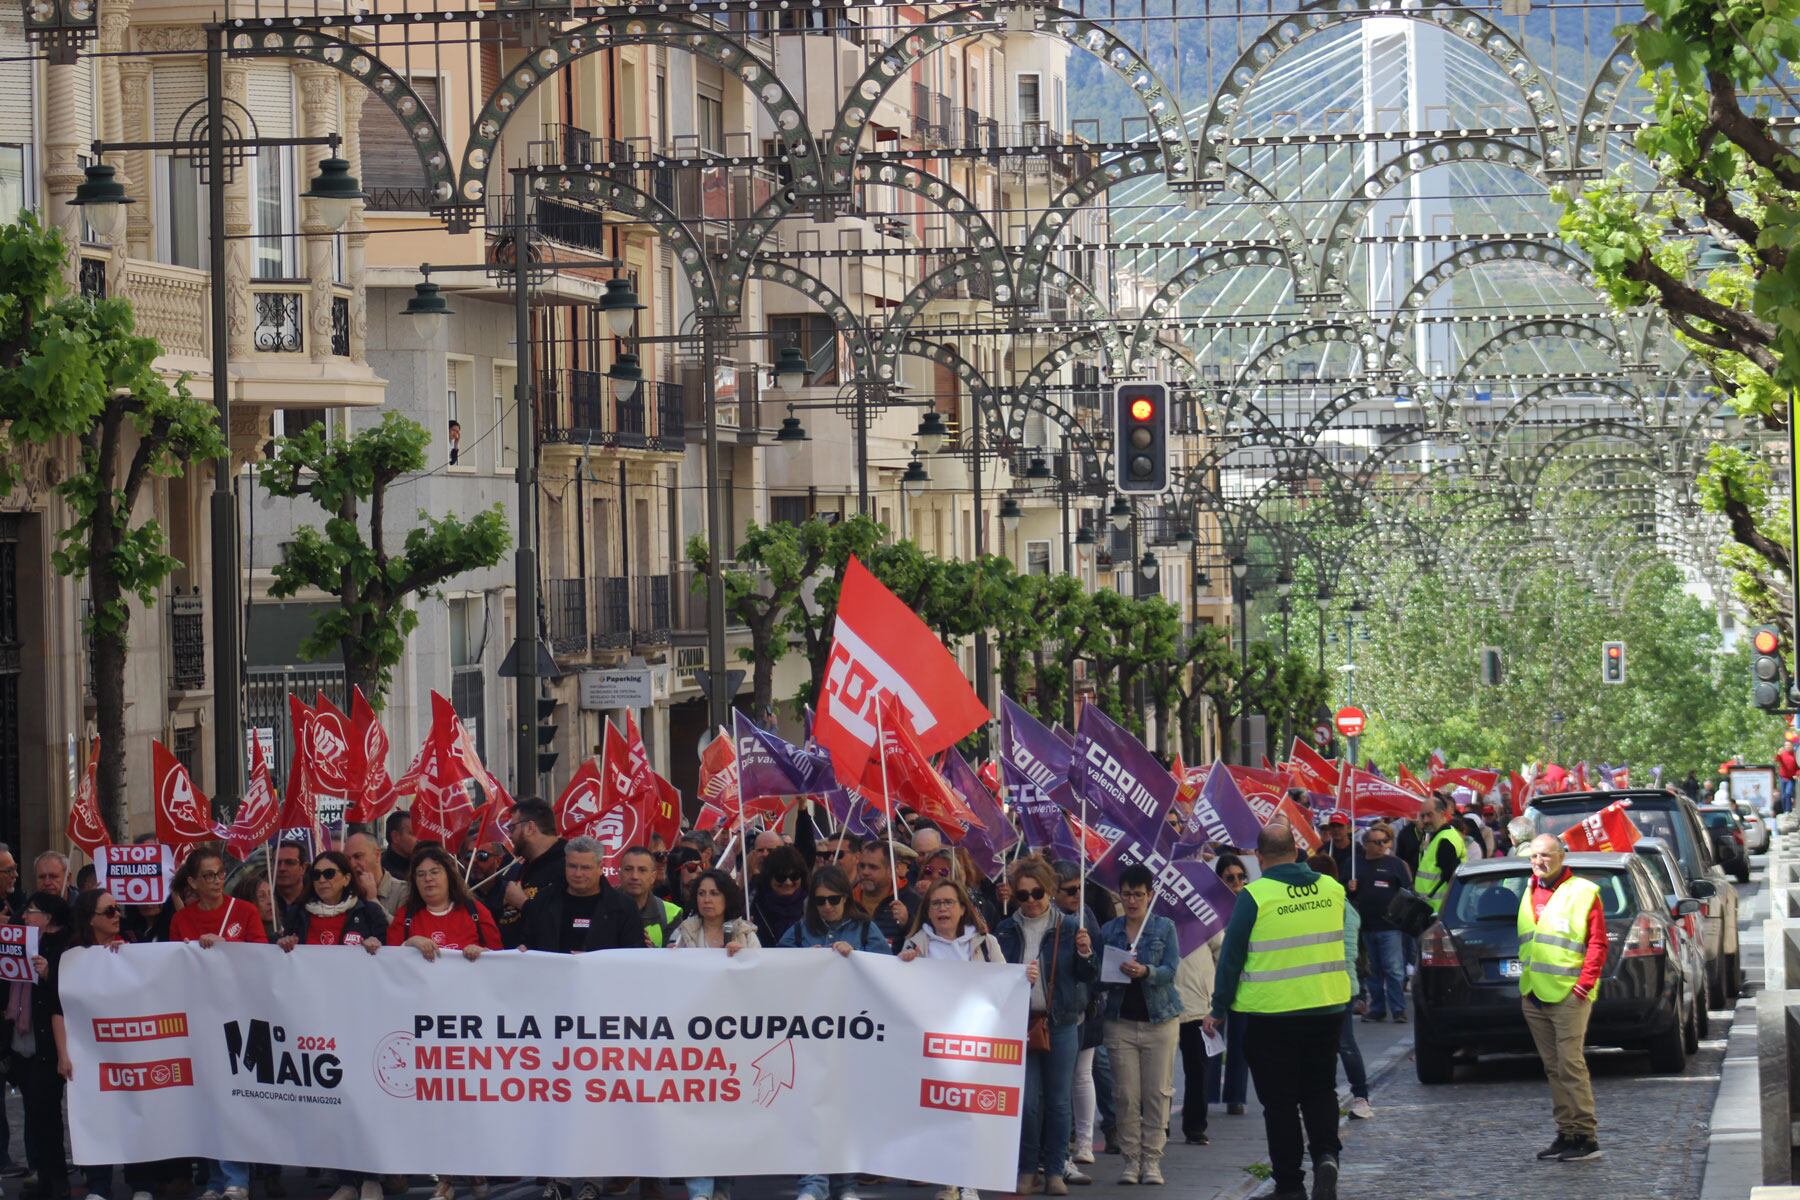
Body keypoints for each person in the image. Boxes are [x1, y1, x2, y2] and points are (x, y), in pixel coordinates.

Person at [1204, 825, 1352, 1200]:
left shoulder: (1256, 896)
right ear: (1297, 851)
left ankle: (1289, 1187)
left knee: (1280, 1104)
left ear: (1259, 857)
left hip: (1271, 1015)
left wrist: (1219, 1007)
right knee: (1320, 1090)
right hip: (1326, 1007)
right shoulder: (1332, 889)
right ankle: (1326, 1156)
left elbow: (1232, 956)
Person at [899, 877, 1004, 1200]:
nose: (942, 908)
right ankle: (948, 1181)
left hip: (975, 1040)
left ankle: (968, 1179)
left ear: (963, 909)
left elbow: (1004, 984)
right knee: (941, 1113)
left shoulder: (986, 944)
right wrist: (905, 965)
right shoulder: (914, 946)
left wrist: (1023, 978)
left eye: (948, 902)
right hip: (934, 1045)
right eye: (936, 903)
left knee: (970, 1112)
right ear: (927, 911)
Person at [996, 858, 1096, 1197]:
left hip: (1062, 1023)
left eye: (1037, 892)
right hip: (1020, 1024)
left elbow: (1088, 977)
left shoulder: (1070, 926)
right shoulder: (1006, 929)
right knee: (1028, 1102)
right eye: (1023, 895)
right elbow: (995, 974)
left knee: (1057, 1101)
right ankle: (1027, 1168)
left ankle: (1055, 1169)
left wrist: (1085, 954)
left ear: (1048, 890)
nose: (1031, 900)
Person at [1519, 835, 1608, 1163]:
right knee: (1553, 1067)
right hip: (1535, 994)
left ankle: (1586, 1136)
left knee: (1571, 1065)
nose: (1539, 861)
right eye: (1533, 856)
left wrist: (1583, 986)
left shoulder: (1583, 891)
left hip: (1569, 994)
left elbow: (1597, 943)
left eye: (1545, 855)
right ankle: (1567, 1132)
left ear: (1561, 856)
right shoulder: (1530, 889)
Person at [672, 871, 756, 1200]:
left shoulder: (746, 933)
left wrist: (745, 958)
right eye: (702, 893)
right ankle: (699, 1190)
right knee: (696, 1116)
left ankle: (722, 1188)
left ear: (727, 898)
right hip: (693, 1041)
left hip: (734, 1041)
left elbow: (763, 978)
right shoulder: (683, 932)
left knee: (728, 1119)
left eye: (715, 893)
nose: (707, 899)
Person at [1096, 864, 1182, 1186]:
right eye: (1127, 894)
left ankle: (1153, 1161)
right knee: (1126, 1095)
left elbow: (1171, 969)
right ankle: (1131, 1160)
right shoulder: (1110, 930)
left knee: (1157, 1093)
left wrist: (1146, 971)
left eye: (1139, 895)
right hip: (1120, 1022)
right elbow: (1099, 977)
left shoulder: (1164, 927)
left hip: (1159, 1021)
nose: (1132, 901)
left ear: (1150, 895)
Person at [1306, 855, 1372, 1121]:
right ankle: (1344, 1097)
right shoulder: (1338, 903)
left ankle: (1360, 1097)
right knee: (1336, 1043)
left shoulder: (1335, 905)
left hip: (1337, 983)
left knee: (1342, 1043)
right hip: (1338, 983)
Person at [14, 892, 70, 1200]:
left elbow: (66, 997)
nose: (24, 917)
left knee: (48, 1115)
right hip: (23, 1041)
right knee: (34, 1114)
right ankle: (45, 1177)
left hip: (49, 1043)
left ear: (48, 919)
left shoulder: (64, 948)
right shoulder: (20, 943)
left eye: (31, 912)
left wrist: (49, 974)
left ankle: (57, 1181)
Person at [1053, 862, 1107, 1176]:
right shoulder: (1050, 918)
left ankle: (1084, 1142)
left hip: (1085, 1006)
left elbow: (1097, 964)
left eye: (1080, 889)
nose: (1077, 895)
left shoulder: (1088, 917)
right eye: (1070, 890)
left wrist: (1087, 953)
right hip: (1055, 1010)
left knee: (1082, 1074)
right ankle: (1063, 1142)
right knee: (1058, 1082)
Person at [516, 837, 645, 954]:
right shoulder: (543, 900)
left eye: (585, 868)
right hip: (552, 978)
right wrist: (523, 949)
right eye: (572, 866)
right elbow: (528, 941)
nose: (578, 874)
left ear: (600, 868)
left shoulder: (624, 907)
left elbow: (632, 957)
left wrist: (590, 963)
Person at [374, 846, 502, 960]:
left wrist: (483, 954)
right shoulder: (404, 916)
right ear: (415, 881)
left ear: (449, 876)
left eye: (434, 872)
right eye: (421, 874)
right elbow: (390, 963)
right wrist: (409, 943)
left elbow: (499, 959)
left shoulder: (476, 912)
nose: (428, 879)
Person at [1353, 825, 1412, 1023]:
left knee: (1394, 970)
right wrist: (1349, 886)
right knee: (1373, 972)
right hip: (1366, 926)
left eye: (1385, 841)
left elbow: (1406, 891)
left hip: (1390, 927)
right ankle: (1377, 1008)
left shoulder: (1395, 864)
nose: (1382, 846)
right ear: (1366, 844)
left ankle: (1398, 1009)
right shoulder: (1355, 865)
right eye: (1377, 842)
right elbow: (1344, 891)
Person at [1174, 909, 1222, 1148]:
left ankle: (1195, 1127)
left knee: (1197, 1070)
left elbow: (1221, 951)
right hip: (1163, 1005)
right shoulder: (1148, 915)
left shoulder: (1204, 913)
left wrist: (1217, 999)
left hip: (1197, 1006)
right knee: (1158, 1074)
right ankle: (1158, 1127)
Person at [1208, 855, 1251, 1117]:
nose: (1237, 882)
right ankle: (1209, 1092)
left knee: (1240, 1042)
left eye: (1240, 876)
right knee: (1213, 1037)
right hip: (1217, 979)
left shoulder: (1250, 902)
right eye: (1230, 878)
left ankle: (1236, 1097)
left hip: (1244, 981)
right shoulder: (1212, 907)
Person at [277, 851, 390, 949]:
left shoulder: (369, 912)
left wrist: (376, 945)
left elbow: (388, 954)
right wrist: (284, 943)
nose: (321, 880)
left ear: (346, 879)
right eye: (316, 875)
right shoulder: (297, 913)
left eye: (329, 873)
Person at [776, 866, 890, 954]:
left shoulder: (866, 928)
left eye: (833, 899)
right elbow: (779, 964)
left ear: (845, 898)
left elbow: (883, 967)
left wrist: (855, 954)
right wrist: (804, 957)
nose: (827, 906)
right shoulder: (799, 930)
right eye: (820, 900)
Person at [499, 799, 566, 946]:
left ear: (530, 828)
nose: (509, 836)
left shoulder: (567, 865)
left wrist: (523, 903)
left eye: (512, 828)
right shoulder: (527, 865)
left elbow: (562, 922)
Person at [854, 842, 920, 952]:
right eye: (862, 866)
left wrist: (908, 922)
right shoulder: (846, 899)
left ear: (891, 870)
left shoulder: (912, 901)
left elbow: (924, 943)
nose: (865, 872)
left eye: (873, 867)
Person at [616, 847, 682, 947]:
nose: (634, 876)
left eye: (642, 870)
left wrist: (650, 951)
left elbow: (671, 960)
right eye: (628, 869)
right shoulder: (599, 906)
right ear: (619, 874)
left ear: (653, 877)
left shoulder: (672, 914)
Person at [1414, 793, 1466, 914]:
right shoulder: (1442, 835)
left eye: (1429, 815)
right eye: (1423, 816)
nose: (1425, 820)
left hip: (1437, 911)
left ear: (1442, 813)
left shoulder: (1444, 840)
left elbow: (1452, 878)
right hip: (1432, 909)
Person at [748, 846, 808, 948]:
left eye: (794, 876)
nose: (788, 882)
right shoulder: (754, 903)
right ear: (769, 877)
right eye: (781, 877)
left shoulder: (813, 903)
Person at [346, 830, 408, 918]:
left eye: (358, 856)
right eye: (348, 859)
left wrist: (373, 900)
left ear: (377, 855)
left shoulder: (402, 891)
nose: (352, 864)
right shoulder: (345, 890)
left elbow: (401, 930)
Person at [272, 839, 307, 911]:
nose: (282, 868)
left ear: (303, 868)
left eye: (290, 862)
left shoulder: (317, 898)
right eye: (277, 863)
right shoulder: (263, 900)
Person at [381, 811, 417, 879]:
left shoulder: (421, 864)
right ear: (395, 837)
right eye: (413, 834)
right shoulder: (382, 871)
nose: (418, 839)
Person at [1322, 814, 1354, 882]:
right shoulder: (1323, 850)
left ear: (1348, 827)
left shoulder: (1358, 850)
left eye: (1340, 826)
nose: (1336, 829)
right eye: (1333, 826)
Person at [1779, 736, 1798, 814]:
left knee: (1788, 793)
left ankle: (1788, 810)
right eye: (1786, 745)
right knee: (1783, 796)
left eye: (1789, 745)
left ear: (1792, 746)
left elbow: (1798, 767)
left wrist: (1797, 774)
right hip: (1782, 777)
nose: (1787, 747)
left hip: (1790, 778)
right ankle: (1785, 810)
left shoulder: (1795, 755)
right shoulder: (1782, 754)